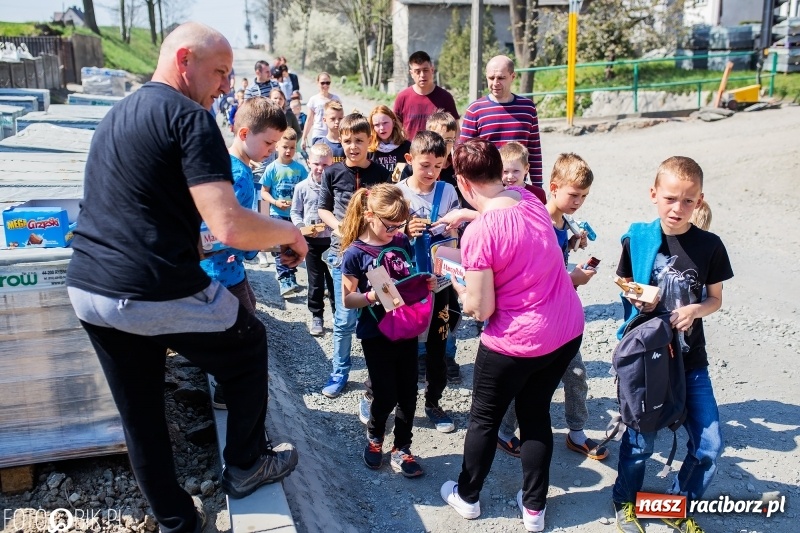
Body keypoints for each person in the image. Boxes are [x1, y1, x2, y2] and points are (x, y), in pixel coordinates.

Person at [65, 22, 306, 533]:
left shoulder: (119, 114)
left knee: (142, 413)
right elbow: (230, 224)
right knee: (247, 342)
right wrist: (289, 232)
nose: (223, 86)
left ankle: (177, 522)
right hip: (148, 287)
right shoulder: (188, 118)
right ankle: (245, 465)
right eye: (219, 72)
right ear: (183, 60)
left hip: (88, 288)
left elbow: (139, 210)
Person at [436, 139, 584, 533]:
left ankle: (467, 497)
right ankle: (534, 508)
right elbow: (500, 204)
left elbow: (480, 309)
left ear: (463, 182)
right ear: (499, 172)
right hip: (565, 329)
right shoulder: (530, 199)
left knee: (483, 419)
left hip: (516, 342)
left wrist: (459, 285)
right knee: (535, 412)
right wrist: (469, 214)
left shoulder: (480, 235)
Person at [612, 156, 733, 533]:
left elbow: (715, 299)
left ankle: (675, 505)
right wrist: (636, 299)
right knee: (640, 441)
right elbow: (624, 282)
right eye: (669, 199)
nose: (677, 208)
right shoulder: (638, 239)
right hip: (647, 359)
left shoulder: (710, 246)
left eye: (687, 200)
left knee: (709, 444)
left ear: (699, 201)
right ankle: (625, 501)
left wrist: (696, 309)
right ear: (654, 195)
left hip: (691, 359)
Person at [495, 152, 609, 464]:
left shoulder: (565, 222)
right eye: (574, 194)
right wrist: (573, 278)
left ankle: (576, 432)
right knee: (524, 380)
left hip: (562, 316)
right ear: (554, 187)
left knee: (575, 373)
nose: (578, 202)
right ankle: (503, 431)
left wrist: (571, 246)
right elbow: (534, 275)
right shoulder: (538, 221)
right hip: (536, 317)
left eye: (584, 196)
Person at [340, 183, 433, 478]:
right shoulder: (354, 253)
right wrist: (372, 296)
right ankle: (375, 438)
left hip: (405, 327)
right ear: (370, 215)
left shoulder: (401, 242)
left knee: (409, 393)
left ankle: (402, 448)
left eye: (399, 226)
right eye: (390, 225)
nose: (395, 231)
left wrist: (424, 282)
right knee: (385, 393)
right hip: (376, 333)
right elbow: (347, 298)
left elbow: (407, 276)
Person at [203, 97, 278, 409]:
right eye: (268, 143)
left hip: (230, 268)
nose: (271, 151)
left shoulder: (233, 166)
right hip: (219, 272)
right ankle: (229, 391)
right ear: (245, 133)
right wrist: (254, 241)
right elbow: (222, 230)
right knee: (243, 333)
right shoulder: (239, 176)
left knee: (250, 314)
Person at [317, 113, 392, 398]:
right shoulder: (332, 173)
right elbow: (323, 208)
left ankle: (380, 376)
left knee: (381, 314)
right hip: (343, 255)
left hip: (375, 257)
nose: (352, 146)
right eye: (347, 141)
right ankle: (339, 372)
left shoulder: (381, 176)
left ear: (369, 141)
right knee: (345, 320)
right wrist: (340, 227)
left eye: (359, 140)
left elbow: (389, 211)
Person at [399, 131, 460, 433]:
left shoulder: (448, 191)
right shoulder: (397, 193)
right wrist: (405, 229)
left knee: (438, 344)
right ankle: (395, 399)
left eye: (438, 165)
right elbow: (383, 238)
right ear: (409, 160)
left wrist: (446, 228)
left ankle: (433, 402)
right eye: (425, 165)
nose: (431, 172)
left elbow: (454, 239)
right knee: (402, 345)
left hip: (440, 283)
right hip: (406, 284)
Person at [460, 55, 544, 188]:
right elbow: (463, 154)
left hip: (518, 186)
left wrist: (538, 186)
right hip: (486, 187)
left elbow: (534, 149)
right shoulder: (475, 110)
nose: (495, 83)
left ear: (513, 77)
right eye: (491, 78)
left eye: (501, 78)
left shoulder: (527, 108)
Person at [291, 143, 336, 336]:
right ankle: (317, 315)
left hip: (332, 242)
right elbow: (295, 211)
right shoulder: (301, 187)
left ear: (332, 164)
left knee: (335, 281)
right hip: (311, 243)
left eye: (325, 165)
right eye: (317, 163)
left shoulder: (335, 187)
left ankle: (338, 314)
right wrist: (302, 228)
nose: (320, 168)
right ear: (309, 162)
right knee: (316, 281)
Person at [261, 129, 308, 297]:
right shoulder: (272, 168)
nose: (288, 151)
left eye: (292, 148)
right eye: (285, 147)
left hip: (294, 215)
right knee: (280, 247)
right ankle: (283, 279)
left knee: (292, 247)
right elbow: (264, 192)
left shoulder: (301, 170)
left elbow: (305, 190)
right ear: (277, 146)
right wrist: (275, 202)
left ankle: (291, 275)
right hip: (277, 214)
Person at [393, 51, 460, 141]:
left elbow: (456, 130)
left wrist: (456, 151)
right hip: (411, 153)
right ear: (411, 73)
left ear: (432, 70)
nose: (422, 75)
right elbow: (395, 130)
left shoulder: (445, 97)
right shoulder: (402, 98)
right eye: (417, 71)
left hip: (439, 153)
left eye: (425, 70)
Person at [302, 72, 341, 152]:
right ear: (318, 83)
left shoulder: (336, 99)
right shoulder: (313, 100)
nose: (325, 85)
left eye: (328, 83)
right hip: (318, 134)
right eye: (322, 83)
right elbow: (309, 120)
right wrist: (304, 138)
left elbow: (340, 118)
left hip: (333, 136)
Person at [368, 105, 411, 176]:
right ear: (372, 127)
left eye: (385, 123)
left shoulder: (406, 147)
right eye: (377, 125)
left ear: (393, 123)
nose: (382, 128)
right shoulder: (369, 149)